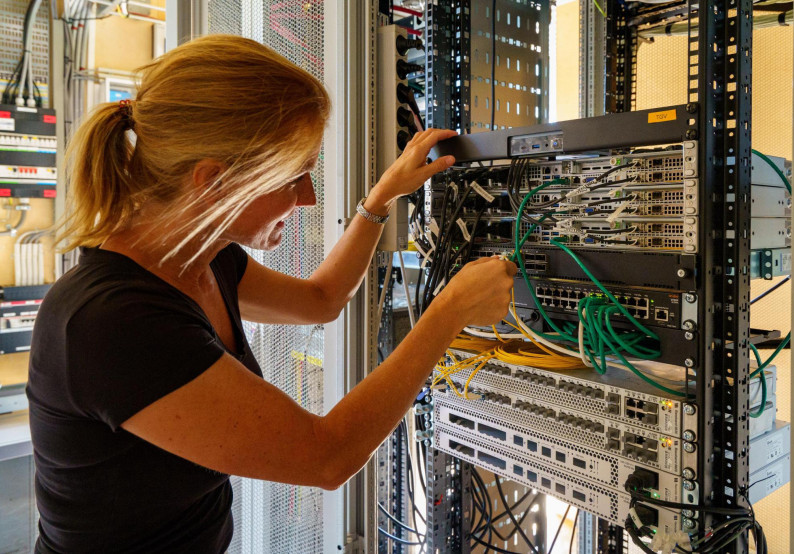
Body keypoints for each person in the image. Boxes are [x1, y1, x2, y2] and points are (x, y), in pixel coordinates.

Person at [26, 34, 515, 553]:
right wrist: (449, 311)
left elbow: (321, 300)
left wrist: (381, 198)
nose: (308, 198)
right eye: (293, 177)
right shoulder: (111, 324)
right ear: (213, 181)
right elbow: (326, 457)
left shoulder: (204, 257)